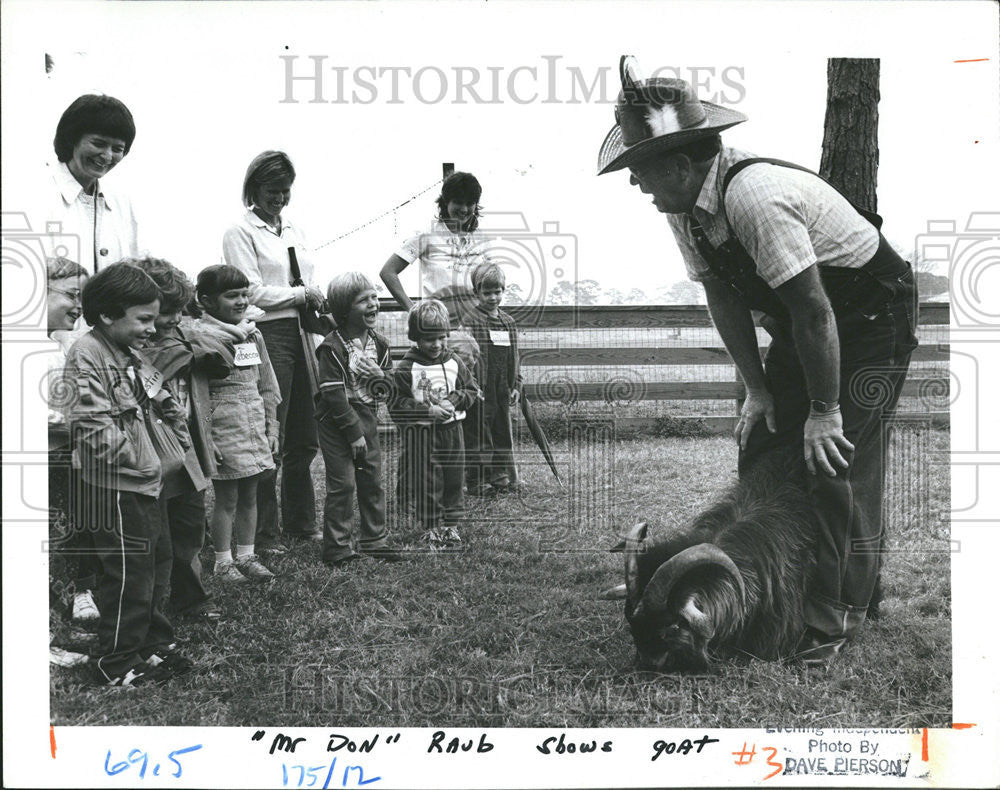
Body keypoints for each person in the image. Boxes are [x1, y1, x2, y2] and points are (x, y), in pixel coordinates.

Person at [596, 57, 918, 665]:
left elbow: (816, 311)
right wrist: (758, 389)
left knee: (834, 462)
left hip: (869, 320)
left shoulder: (756, 198)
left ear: (682, 164)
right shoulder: (685, 208)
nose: (637, 185)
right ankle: (738, 586)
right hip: (807, 323)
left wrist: (825, 411)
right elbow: (723, 293)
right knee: (766, 443)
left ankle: (837, 618)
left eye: (640, 170)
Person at [63, 263, 193, 686]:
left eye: (154, 319)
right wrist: (146, 458)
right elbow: (92, 429)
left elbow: (161, 396)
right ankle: (114, 662)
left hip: (145, 483)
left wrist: (176, 433)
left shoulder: (129, 353)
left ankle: (149, 643)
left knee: (155, 565)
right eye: (143, 319)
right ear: (107, 315)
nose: (152, 329)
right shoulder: (87, 356)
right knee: (128, 575)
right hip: (115, 486)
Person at [222, 150, 324, 552]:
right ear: (254, 189)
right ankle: (263, 532)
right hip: (268, 333)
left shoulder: (293, 231)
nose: (278, 198)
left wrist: (310, 298)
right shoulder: (239, 232)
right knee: (270, 431)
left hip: (301, 332)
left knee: (304, 432)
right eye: (271, 190)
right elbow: (249, 290)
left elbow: (307, 281)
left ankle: (301, 522)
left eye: (285, 191)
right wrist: (300, 293)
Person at [132, 257, 227, 621]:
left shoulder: (182, 337)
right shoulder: (136, 346)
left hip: (187, 450)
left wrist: (190, 349)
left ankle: (191, 598)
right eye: (165, 311)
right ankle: (150, 611)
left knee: (189, 530)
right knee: (157, 539)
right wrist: (187, 353)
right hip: (153, 453)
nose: (173, 318)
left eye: (177, 310)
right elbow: (147, 375)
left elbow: (223, 356)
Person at [191, 265, 281, 584]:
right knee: (227, 497)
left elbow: (268, 384)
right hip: (223, 424)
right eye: (232, 296)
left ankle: (247, 554)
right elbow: (198, 394)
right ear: (206, 301)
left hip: (253, 422)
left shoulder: (253, 333)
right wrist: (207, 438)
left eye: (244, 294)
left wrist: (272, 427)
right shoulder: (200, 339)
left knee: (251, 494)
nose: (241, 301)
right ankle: (223, 561)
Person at [314, 272, 398, 567]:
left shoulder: (381, 345)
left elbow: (387, 389)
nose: (374, 304)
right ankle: (337, 548)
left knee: (371, 479)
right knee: (344, 483)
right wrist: (353, 433)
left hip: (367, 416)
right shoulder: (332, 347)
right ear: (344, 309)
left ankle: (375, 540)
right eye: (364, 300)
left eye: (375, 297)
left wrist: (381, 377)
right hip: (336, 421)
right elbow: (333, 394)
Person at [388, 299, 479, 550]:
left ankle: (451, 526)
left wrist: (454, 400)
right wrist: (427, 411)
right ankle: (430, 527)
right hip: (422, 435)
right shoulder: (407, 367)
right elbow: (396, 405)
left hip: (452, 432)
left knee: (453, 477)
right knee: (427, 480)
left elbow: (471, 389)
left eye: (441, 338)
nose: (437, 344)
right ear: (415, 337)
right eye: (429, 339)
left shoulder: (454, 362)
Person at [43, 95, 140, 272]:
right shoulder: (38, 192)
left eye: (117, 149)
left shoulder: (122, 202)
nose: (107, 156)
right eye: (98, 144)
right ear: (72, 138)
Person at [380, 171, 492, 317]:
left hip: (475, 325)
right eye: (458, 202)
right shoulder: (427, 235)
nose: (464, 209)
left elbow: (490, 282)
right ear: (446, 201)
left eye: (469, 203)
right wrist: (413, 310)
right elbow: (388, 272)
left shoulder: (481, 239)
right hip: (437, 326)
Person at [461, 262, 523, 495]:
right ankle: (477, 480)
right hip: (480, 389)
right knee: (478, 434)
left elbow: (514, 356)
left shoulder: (509, 323)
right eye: (487, 292)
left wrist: (515, 383)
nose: (493, 297)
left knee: (501, 432)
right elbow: (466, 356)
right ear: (476, 292)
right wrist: (472, 385)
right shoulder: (471, 320)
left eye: (497, 291)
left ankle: (501, 476)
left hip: (502, 389)